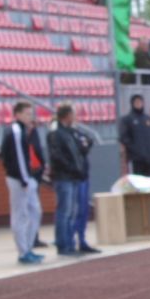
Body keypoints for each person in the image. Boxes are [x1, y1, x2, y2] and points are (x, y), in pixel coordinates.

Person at [46, 102, 97, 255]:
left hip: (73, 176)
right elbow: (57, 156)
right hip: (64, 177)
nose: (75, 117)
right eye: (73, 114)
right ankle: (63, 244)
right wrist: (72, 168)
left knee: (71, 211)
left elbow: (81, 150)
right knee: (65, 211)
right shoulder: (57, 133)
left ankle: (69, 243)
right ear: (67, 115)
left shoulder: (70, 131)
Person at [0, 100, 46, 264]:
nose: (30, 117)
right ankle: (23, 251)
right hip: (19, 179)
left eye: (31, 113)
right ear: (17, 114)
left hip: (28, 177)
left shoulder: (26, 131)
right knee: (20, 214)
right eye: (27, 113)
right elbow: (18, 157)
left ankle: (28, 247)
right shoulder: (16, 131)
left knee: (35, 211)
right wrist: (25, 179)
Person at [117, 94, 150, 177]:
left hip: (149, 159)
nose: (139, 104)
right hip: (136, 159)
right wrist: (135, 149)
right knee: (137, 181)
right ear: (132, 104)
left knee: (149, 182)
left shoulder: (148, 119)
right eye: (136, 102)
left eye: (140, 102)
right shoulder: (127, 119)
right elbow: (123, 138)